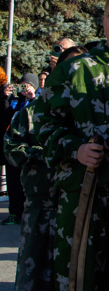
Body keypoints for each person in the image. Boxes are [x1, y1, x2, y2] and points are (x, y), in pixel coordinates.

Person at [36, 0, 109, 289]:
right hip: (83, 197)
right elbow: (44, 124)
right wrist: (75, 149)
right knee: (79, 278)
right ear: (102, 20)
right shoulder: (74, 69)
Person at [5, 45, 87, 290]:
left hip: (81, 204)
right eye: (69, 67)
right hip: (42, 204)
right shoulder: (33, 112)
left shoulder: (92, 113)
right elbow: (11, 148)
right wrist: (46, 153)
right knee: (34, 270)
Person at [1, 74, 39, 226]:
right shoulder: (15, 101)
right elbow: (5, 118)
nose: (23, 89)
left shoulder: (37, 100)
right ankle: (15, 213)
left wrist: (32, 97)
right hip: (14, 147)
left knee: (28, 183)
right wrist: (5, 98)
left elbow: (38, 115)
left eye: (27, 85)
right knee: (13, 183)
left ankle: (28, 213)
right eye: (21, 85)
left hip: (29, 148)